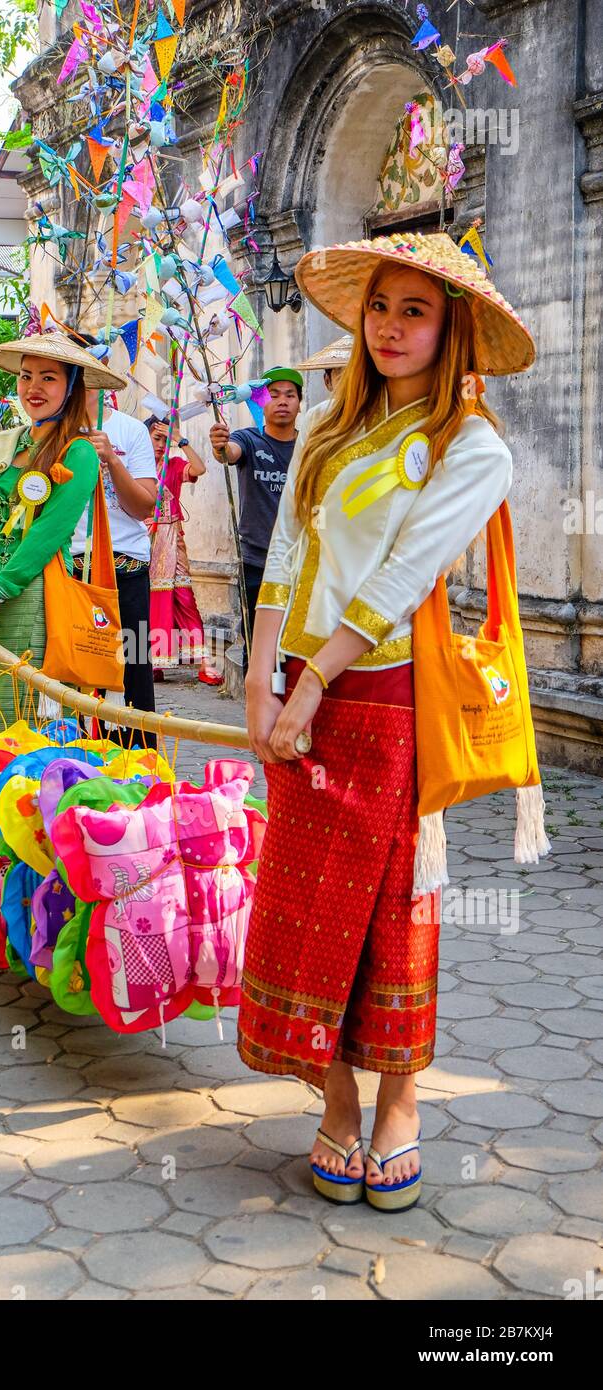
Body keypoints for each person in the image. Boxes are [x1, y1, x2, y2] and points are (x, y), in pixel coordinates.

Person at [237, 231, 537, 1213]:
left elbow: (405, 572)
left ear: (450, 328)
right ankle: (331, 1101)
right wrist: (258, 677)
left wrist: (316, 678)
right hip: (294, 696)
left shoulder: (472, 447)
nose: (391, 326)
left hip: (387, 706)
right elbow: (285, 552)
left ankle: (398, 1104)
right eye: (379, 307)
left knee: (395, 913)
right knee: (301, 908)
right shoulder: (329, 426)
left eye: (415, 310)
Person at [0, 334, 127, 729]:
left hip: (31, 596)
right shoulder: (2, 448)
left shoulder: (78, 454)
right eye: (26, 376)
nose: (33, 388)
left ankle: (24, 790)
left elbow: (47, 535)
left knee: (23, 713)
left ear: (71, 387)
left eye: (48, 378)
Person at [69, 334, 158, 723]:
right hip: (70, 567)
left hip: (126, 568)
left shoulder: (130, 431)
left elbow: (143, 507)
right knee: (72, 668)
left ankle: (140, 761)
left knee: (133, 667)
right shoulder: (49, 434)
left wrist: (112, 462)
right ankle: (76, 762)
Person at [208, 367, 303, 659]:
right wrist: (219, 445)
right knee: (257, 646)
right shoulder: (249, 439)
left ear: (300, 402)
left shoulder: (311, 443)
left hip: (301, 561)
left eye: (290, 395)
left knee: (297, 644)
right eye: (273, 395)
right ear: (261, 401)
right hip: (256, 561)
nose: (283, 401)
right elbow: (228, 454)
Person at [144, 416, 222, 685]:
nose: (161, 446)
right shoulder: (135, 467)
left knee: (184, 599)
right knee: (145, 600)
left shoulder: (174, 465)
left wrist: (181, 440)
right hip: (143, 541)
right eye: (157, 439)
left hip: (171, 541)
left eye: (165, 441)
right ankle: (153, 660)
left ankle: (204, 662)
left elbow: (199, 468)